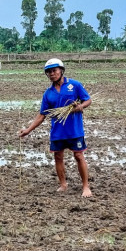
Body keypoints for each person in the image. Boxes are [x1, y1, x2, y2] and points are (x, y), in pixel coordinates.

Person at [19, 58, 92, 197]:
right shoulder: (48, 93)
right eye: (49, 72)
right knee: (58, 157)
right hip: (57, 132)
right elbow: (42, 115)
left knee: (78, 156)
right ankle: (63, 184)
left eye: (54, 70)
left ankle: (86, 187)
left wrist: (80, 107)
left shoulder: (74, 85)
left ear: (61, 70)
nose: (52, 74)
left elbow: (88, 100)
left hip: (74, 130)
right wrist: (28, 130)